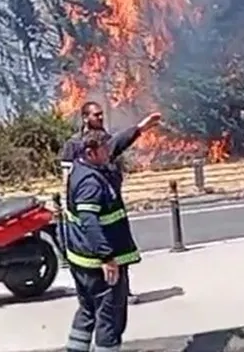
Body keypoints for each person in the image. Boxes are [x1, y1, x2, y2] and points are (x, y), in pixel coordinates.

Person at [63, 129, 141, 352]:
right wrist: (107, 257)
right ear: (91, 152)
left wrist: (139, 129)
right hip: (99, 264)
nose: (109, 153)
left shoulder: (81, 167)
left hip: (82, 260)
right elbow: (90, 222)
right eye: (105, 149)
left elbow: (115, 145)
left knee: (87, 311)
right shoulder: (91, 182)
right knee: (110, 318)